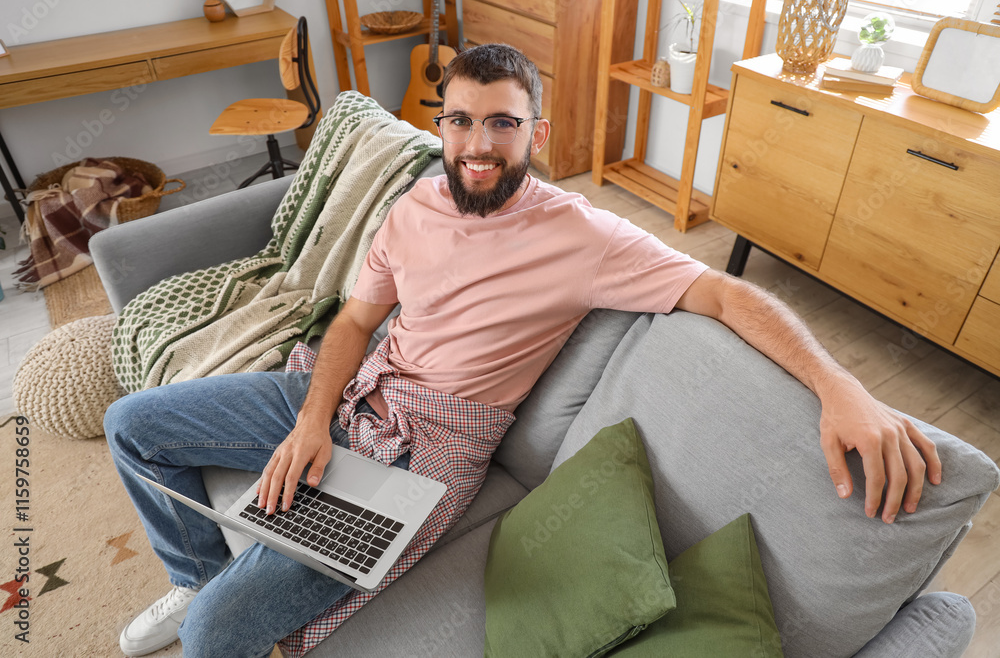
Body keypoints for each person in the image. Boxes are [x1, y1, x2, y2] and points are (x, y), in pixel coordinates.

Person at [106, 43, 941, 657]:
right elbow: (357, 323)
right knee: (132, 425)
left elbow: (722, 290)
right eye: (460, 121)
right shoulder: (413, 208)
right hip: (359, 387)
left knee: (218, 635)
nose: (477, 145)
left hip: (430, 445)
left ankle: (210, 602)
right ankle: (193, 573)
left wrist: (838, 384)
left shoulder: (583, 235)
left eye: (502, 123)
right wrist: (313, 420)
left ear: (534, 130)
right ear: (441, 125)